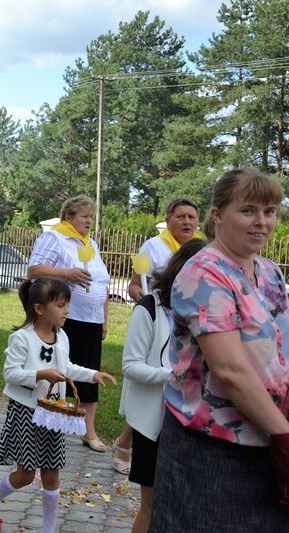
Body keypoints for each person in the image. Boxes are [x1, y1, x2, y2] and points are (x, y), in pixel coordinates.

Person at [150, 169, 289, 531]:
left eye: (270, 211)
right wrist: (284, 437)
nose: (262, 222)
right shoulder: (204, 273)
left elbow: (279, 352)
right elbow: (230, 371)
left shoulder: (269, 271)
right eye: (248, 210)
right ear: (218, 215)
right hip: (213, 450)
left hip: (266, 438)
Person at [0, 277, 116, 533]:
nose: (67, 311)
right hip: (26, 413)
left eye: (67, 305)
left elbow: (67, 367)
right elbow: (10, 374)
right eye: (61, 305)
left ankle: (48, 529)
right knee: (25, 475)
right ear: (39, 308)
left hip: (53, 415)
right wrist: (41, 374)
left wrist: (92, 374)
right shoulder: (22, 338)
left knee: (52, 474)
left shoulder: (61, 336)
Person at [119, 238, 205, 533]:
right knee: (152, 505)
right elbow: (130, 365)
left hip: (192, 420)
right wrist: (172, 376)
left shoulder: (204, 311)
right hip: (153, 422)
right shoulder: (150, 309)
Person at [112, 196, 201, 475]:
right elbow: (135, 284)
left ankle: (130, 443)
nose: (186, 221)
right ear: (168, 219)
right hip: (157, 320)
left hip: (184, 324)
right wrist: (143, 298)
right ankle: (127, 444)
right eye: (180, 216)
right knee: (150, 393)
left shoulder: (202, 250)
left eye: (191, 217)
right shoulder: (152, 246)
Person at [27, 194, 110, 452]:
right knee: (61, 370)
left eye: (91, 217)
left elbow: (102, 283)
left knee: (90, 373)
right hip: (67, 317)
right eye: (84, 216)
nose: (89, 221)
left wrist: (104, 317)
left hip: (92, 319)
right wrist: (67, 273)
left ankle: (88, 430)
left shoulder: (91, 244)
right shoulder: (55, 238)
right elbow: (34, 270)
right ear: (68, 216)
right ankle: (51, 422)